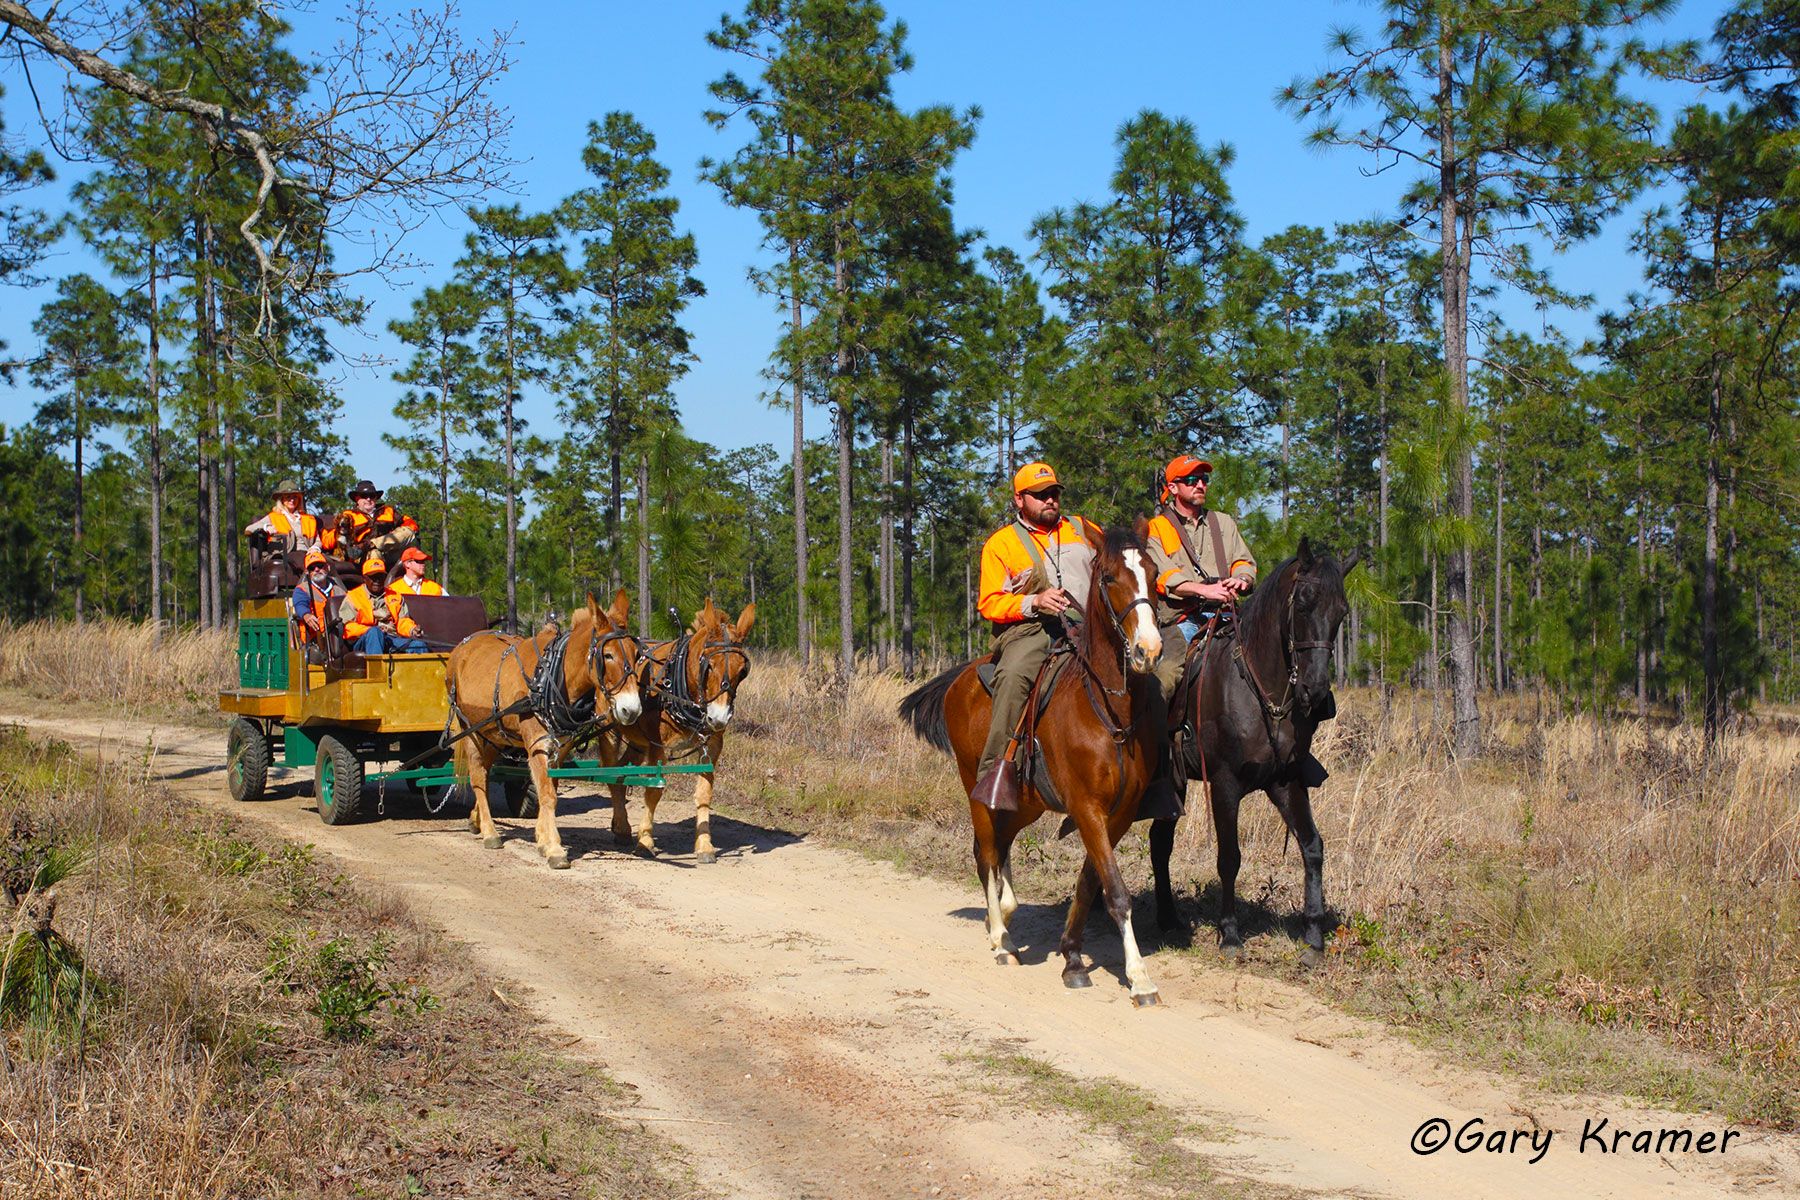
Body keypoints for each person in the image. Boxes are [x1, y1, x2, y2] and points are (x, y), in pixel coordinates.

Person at [972, 461, 1098, 787]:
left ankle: (1158, 775)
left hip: (1089, 626)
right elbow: (989, 603)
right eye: (1040, 495)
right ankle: (996, 775)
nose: (1050, 500)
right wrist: (1034, 601)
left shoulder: (1083, 528)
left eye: (1054, 493)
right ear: (1019, 499)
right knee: (1013, 676)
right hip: (1031, 630)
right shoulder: (1001, 544)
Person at [1145, 453, 1257, 704]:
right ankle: (1155, 738)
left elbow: (1244, 561)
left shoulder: (1223, 523)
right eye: (1191, 480)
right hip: (1182, 620)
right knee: (1165, 674)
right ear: (1173, 488)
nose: (1200, 485)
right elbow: (1163, 576)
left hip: (1228, 616)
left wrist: (1242, 579)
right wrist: (1203, 590)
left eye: (1203, 479)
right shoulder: (1158, 527)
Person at [339, 556, 430, 654]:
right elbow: (348, 627)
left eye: (380, 577)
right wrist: (370, 630)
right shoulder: (353, 597)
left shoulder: (395, 596)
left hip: (392, 639)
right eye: (373, 577)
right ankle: (377, 669)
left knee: (418, 645)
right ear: (364, 578)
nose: (377, 581)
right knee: (375, 633)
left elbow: (402, 621)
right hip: (365, 639)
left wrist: (412, 630)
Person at [331, 480, 418, 564]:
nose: (368, 499)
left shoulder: (388, 511)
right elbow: (338, 537)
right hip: (365, 555)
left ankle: (372, 544)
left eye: (372, 496)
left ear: (376, 498)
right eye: (364, 496)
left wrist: (375, 542)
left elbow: (409, 523)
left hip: (391, 551)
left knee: (408, 531)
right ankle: (377, 577)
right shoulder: (348, 515)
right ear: (357, 499)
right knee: (374, 553)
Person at [289, 551, 346, 662]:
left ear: (328, 568)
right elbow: (300, 604)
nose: (316, 570)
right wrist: (306, 615)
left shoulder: (340, 590)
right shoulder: (302, 589)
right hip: (315, 639)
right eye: (312, 568)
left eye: (320, 566)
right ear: (307, 572)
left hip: (339, 635)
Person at [243, 478, 320, 558]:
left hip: (307, 555)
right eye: (288, 497)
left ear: (299, 499)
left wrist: (315, 548)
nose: (292, 500)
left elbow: (318, 540)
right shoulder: (273, 517)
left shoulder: (309, 519)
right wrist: (266, 528)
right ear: (282, 499)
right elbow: (249, 529)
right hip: (283, 557)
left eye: (295, 497)